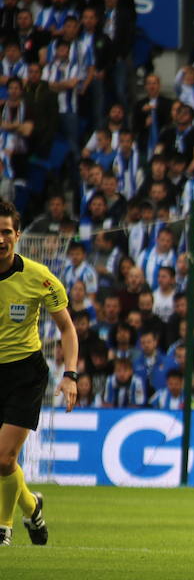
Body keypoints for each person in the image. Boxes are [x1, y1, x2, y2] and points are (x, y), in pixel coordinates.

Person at [0, 199, 78, 546]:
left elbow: (67, 328)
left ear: (17, 235)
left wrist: (70, 374)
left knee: (3, 457)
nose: (0, 239)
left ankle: (4, 527)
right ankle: (32, 508)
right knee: (3, 462)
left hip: (25, 373)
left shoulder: (39, 277)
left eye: (6, 232)